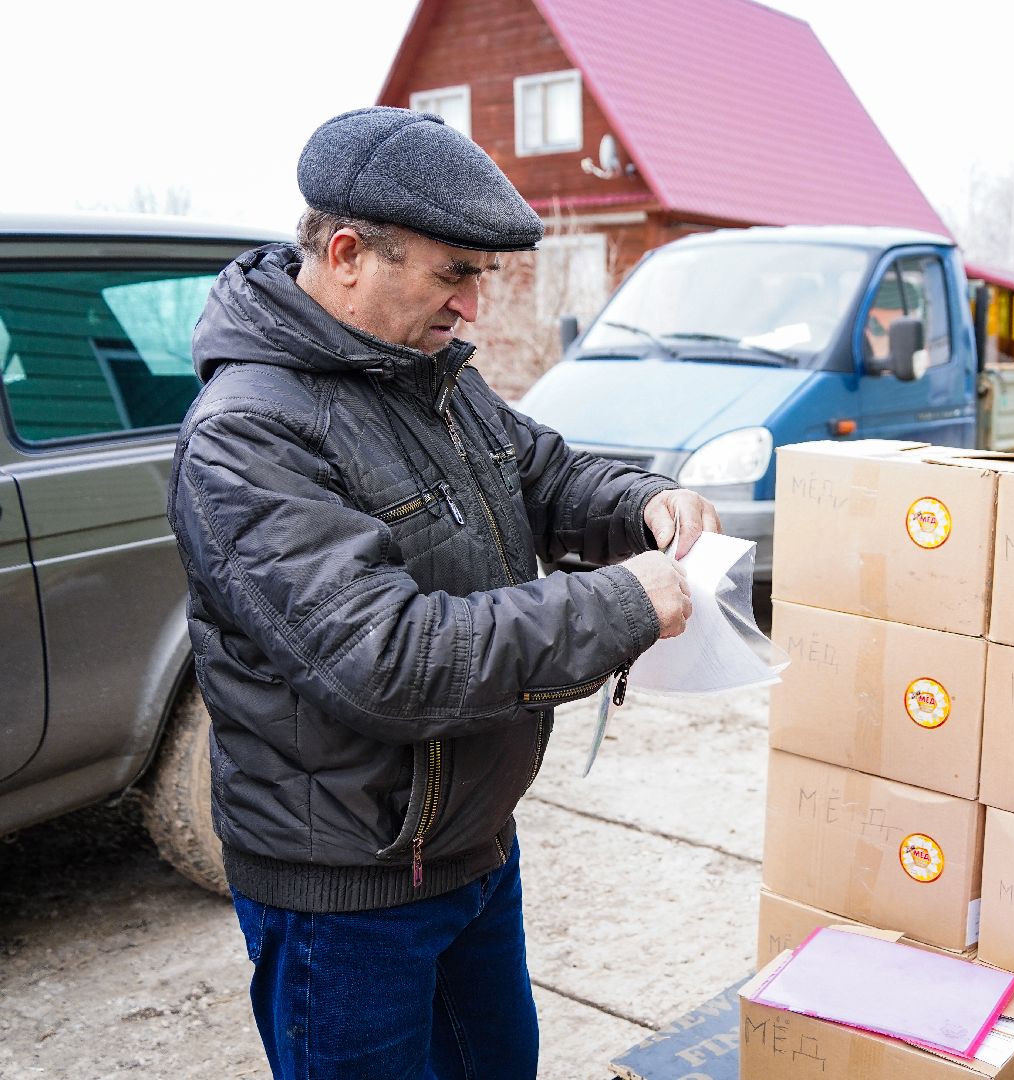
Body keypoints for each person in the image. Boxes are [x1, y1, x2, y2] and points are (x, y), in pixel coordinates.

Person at [166, 106, 719, 1079]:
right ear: (346, 254)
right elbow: (387, 660)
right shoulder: (247, 436)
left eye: (482, 277)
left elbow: (541, 473)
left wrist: (645, 504)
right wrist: (625, 603)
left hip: (467, 850)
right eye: (453, 275)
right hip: (348, 893)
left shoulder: (426, 372)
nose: (474, 309)